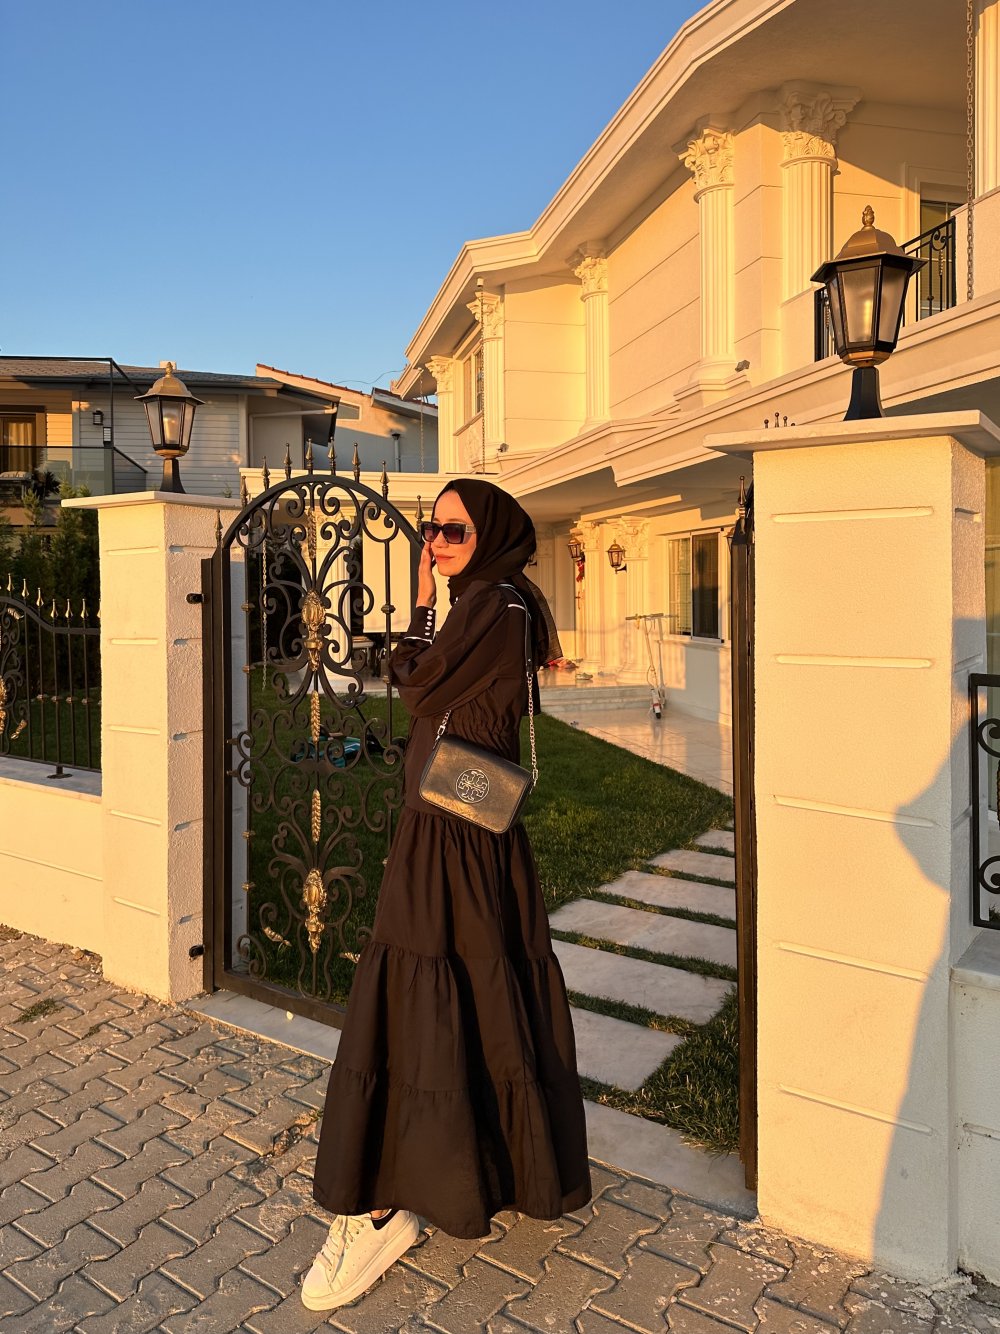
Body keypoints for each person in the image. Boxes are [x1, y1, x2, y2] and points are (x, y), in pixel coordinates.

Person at [301, 477, 591, 1312]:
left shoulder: (494, 607)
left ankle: (380, 1206)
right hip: (459, 824)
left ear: (490, 535)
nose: (435, 542)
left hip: (451, 831)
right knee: (467, 995)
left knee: (417, 997)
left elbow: (415, 681)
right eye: (432, 528)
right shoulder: (497, 602)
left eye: (454, 531)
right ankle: (476, 1169)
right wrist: (435, 606)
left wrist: (421, 608)